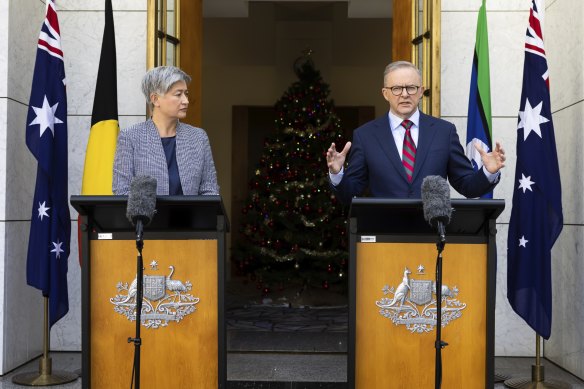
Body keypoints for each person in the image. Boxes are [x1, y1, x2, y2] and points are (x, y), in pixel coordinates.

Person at [326, 60, 505, 203]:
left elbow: (466, 185)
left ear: (421, 92)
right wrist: (337, 173)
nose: (404, 94)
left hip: (431, 236)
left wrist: (488, 172)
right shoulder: (365, 136)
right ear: (385, 93)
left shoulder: (444, 132)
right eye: (396, 88)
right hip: (384, 238)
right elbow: (350, 193)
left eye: (411, 88)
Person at [113, 66, 219, 195]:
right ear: (155, 99)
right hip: (147, 216)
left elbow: (210, 190)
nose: (186, 101)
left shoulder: (198, 137)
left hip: (190, 215)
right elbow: (121, 191)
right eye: (178, 94)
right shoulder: (130, 137)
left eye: (186, 94)